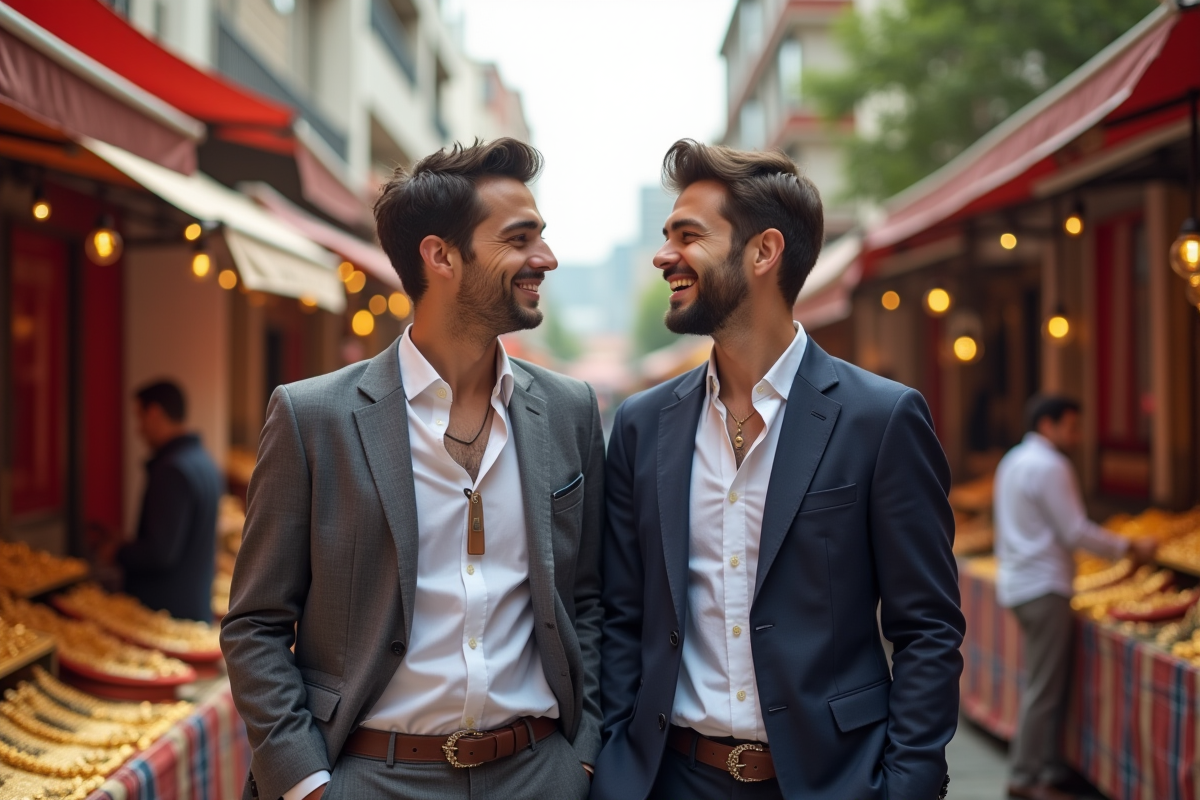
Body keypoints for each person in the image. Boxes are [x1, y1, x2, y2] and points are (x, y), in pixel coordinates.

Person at [220, 138, 603, 800]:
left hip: (540, 774)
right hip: (372, 776)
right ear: (441, 255)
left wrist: (584, 755)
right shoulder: (313, 419)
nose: (546, 258)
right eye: (520, 239)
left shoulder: (570, 410)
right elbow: (254, 624)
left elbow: (591, 598)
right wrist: (309, 783)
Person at [591, 140, 964, 800]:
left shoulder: (881, 419)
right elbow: (622, 615)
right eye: (665, 235)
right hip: (669, 779)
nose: (663, 255)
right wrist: (618, 758)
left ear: (764, 253)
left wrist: (908, 785)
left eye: (688, 235)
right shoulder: (641, 426)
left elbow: (927, 629)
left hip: (832, 780)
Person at [994, 395, 1156, 800]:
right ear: (1048, 425)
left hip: (1018, 582)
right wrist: (1129, 548)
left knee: (1043, 683)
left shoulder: (1013, 460)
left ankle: (1045, 769)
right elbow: (1076, 531)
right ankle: (1026, 778)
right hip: (1043, 585)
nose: (1078, 435)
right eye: (1072, 426)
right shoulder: (1051, 465)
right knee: (1045, 688)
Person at [98, 380, 221, 622]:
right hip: (193, 606)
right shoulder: (204, 462)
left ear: (154, 413)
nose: (138, 429)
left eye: (139, 417)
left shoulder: (172, 469)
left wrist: (116, 552)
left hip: (167, 615)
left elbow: (160, 552)